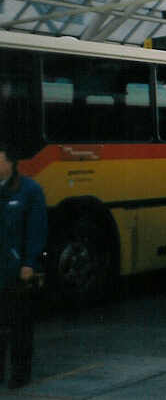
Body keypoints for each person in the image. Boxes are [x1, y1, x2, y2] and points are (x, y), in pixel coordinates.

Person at [0, 142, 47, 389]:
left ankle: (20, 374)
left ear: (10, 163)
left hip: (17, 270)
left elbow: (36, 230)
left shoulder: (29, 191)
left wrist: (29, 262)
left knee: (19, 326)